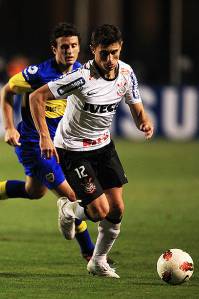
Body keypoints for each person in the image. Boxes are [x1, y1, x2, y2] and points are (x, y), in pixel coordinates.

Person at [29, 24, 154, 278]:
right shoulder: (80, 78)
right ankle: (68, 210)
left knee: (117, 209)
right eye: (104, 54)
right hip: (73, 149)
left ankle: (97, 262)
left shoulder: (127, 73)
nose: (110, 60)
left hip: (104, 146)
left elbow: (136, 106)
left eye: (115, 53)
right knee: (99, 211)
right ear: (93, 51)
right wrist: (45, 136)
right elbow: (36, 98)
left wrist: (143, 121)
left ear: (121, 50)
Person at [0, 22, 95, 261]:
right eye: (64, 47)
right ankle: (90, 252)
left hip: (60, 144)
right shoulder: (37, 74)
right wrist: (10, 127)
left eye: (74, 46)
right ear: (54, 48)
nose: (70, 51)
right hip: (34, 145)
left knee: (34, 191)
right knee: (71, 195)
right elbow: (7, 91)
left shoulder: (80, 73)